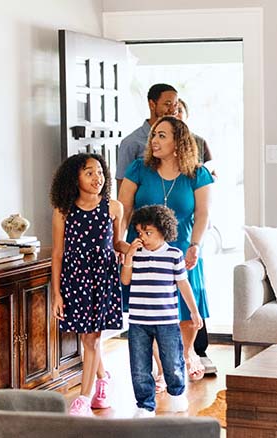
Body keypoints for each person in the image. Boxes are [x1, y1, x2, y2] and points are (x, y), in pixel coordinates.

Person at [119, 116, 213, 382]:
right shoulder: (138, 168)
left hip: (182, 247)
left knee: (186, 308)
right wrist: (120, 242)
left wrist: (196, 245)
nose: (155, 140)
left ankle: (181, 358)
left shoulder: (197, 173)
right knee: (150, 310)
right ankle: (163, 368)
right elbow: (123, 209)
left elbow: (203, 214)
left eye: (162, 135)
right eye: (154, 135)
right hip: (143, 248)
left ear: (178, 142)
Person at [50, 153, 124, 416]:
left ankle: (84, 397)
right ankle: (104, 380)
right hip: (75, 278)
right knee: (87, 337)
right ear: (75, 178)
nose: (98, 178)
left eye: (100, 172)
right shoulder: (63, 210)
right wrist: (57, 293)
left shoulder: (114, 207)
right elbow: (57, 253)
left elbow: (117, 244)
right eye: (89, 173)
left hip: (102, 278)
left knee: (92, 338)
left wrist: (131, 248)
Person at [121, 205, 203, 417]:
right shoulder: (136, 255)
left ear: (163, 231)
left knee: (172, 360)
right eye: (140, 233)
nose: (144, 238)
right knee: (139, 366)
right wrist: (129, 256)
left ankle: (177, 396)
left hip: (166, 321)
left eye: (148, 233)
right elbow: (125, 280)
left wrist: (194, 312)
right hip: (138, 322)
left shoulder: (174, 255)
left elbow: (184, 286)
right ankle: (144, 405)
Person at [175, 97, 217, 376]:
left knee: (193, 290)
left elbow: (211, 173)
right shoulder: (144, 149)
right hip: (158, 234)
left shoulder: (199, 143)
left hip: (191, 224)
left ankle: (195, 352)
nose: (175, 113)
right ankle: (172, 359)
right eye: (170, 107)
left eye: (179, 109)